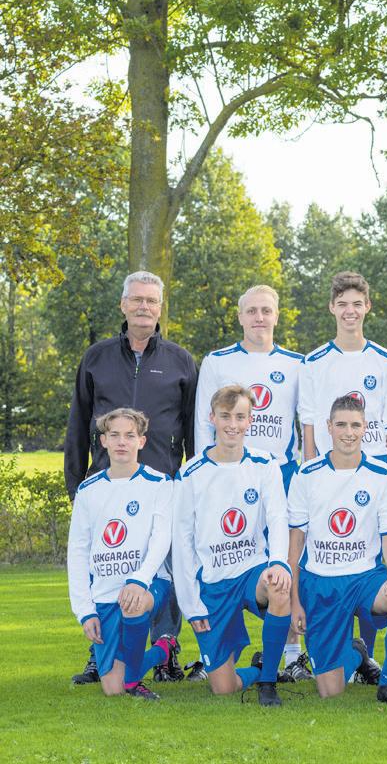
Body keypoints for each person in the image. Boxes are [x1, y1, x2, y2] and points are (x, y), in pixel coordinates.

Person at [65, 270, 198, 685]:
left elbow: (192, 429)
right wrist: (75, 484)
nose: (144, 307)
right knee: (105, 564)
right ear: (123, 305)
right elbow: (78, 424)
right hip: (107, 483)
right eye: (137, 299)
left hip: (163, 485)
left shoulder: (180, 361)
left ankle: (166, 650)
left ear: (160, 308)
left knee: (163, 568)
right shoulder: (96, 358)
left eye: (151, 301)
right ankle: (99, 651)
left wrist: (192, 485)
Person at [194, 284, 311, 682]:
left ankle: (292, 654)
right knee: (224, 554)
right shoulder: (217, 361)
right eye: (252, 311)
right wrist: (207, 473)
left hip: (281, 474)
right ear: (240, 316)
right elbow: (203, 423)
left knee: (286, 562)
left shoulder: (297, 363)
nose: (259, 317)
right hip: (227, 476)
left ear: (277, 315)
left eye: (266, 310)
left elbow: (305, 424)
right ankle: (216, 649)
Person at [287, 395, 387, 705]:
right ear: (329, 427)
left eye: (355, 425)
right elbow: (295, 543)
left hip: (365, 578)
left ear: (365, 428)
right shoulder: (306, 474)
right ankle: (357, 653)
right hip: (321, 582)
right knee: (330, 691)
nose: (349, 432)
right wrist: (294, 602)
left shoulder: (382, 474)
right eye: (342, 425)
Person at [299, 270, 387, 659]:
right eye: (342, 304)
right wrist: (312, 471)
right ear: (331, 308)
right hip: (329, 474)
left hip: (373, 475)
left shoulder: (386, 360)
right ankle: (335, 647)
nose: (350, 311)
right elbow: (309, 422)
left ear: (367, 307)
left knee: (370, 560)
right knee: (334, 556)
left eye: (357, 304)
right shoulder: (314, 361)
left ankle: (367, 655)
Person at [171, 385, 292, 706]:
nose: (233, 424)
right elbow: (181, 543)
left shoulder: (264, 464)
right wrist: (191, 605)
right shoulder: (190, 474)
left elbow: (278, 517)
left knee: (279, 587)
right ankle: (258, 669)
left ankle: (268, 682)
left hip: (252, 571)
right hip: (213, 584)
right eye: (225, 416)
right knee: (224, 688)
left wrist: (279, 562)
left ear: (250, 420)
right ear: (212, 418)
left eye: (240, 417)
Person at [66, 408, 175, 700]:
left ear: (142, 441)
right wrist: (85, 611)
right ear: (103, 441)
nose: (121, 442)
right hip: (105, 593)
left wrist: (139, 579)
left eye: (129, 435)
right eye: (114, 435)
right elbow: (77, 552)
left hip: (149, 584)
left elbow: (162, 538)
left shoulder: (160, 483)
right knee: (112, 689)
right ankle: (163, 649)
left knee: (133, 603)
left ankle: (134, 683)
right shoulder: (87, 490)